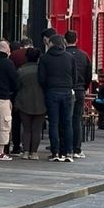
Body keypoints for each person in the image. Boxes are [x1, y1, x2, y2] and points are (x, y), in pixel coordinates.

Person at [38, 34, 76, 162]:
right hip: (66, 92)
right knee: (67, 123)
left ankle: (55, 152)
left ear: (51, 44)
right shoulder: (70, 57)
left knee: (53, 123)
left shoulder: (44, 58)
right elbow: (74, 77)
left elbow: (41, 79)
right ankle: (68, 152)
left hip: (52, 92)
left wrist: (47, 88)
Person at [14, 47, 47, 159]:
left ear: (26, 57)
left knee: (26, 128)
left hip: (24, 101)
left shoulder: (21, 70)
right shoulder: (42, 71)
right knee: (36, 129)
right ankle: (34, 153)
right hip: (41, 102)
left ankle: (26, 151)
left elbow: (16, 86)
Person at [64, 30, 91, 160]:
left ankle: (66, 147)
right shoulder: (84, 56)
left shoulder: (64, 55)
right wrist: (84, 87)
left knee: (66, 119)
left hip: (67, 90)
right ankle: (77, 148)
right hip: (80, 90)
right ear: (77, 40)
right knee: (77, 120)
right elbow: (89, 76)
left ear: (65, 40)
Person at [9, 37, 32, 154]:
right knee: (30, 121)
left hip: (17, 92)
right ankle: (30, 146)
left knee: (16, 120)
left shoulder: (14, 55)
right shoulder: (36, 55)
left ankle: (16, 145)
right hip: (33, 92)